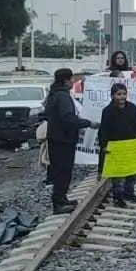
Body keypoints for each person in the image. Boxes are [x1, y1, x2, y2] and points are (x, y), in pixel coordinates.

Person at [44, 68, 95, 214]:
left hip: (56, 138)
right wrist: (87, 123)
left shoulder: (54, 94)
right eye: (71, 79)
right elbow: (68, 118)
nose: (73, 82)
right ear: (65, 81)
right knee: (63, 171)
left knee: (60, 170)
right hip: (63, 139)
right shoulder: (63, 97)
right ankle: (59, 203)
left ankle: (62, 198)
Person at [98, 83, 136, 208]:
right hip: (116, 148)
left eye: (124, 94)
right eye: (118, 94)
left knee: (133, 170)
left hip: (132, 145)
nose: (122, 97)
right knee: (118, 174)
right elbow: (103, 129)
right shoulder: (108, 111)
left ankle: (129, 192)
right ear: (112, 96)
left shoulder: (132, 108)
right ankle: (118, 197)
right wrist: (104, 145)